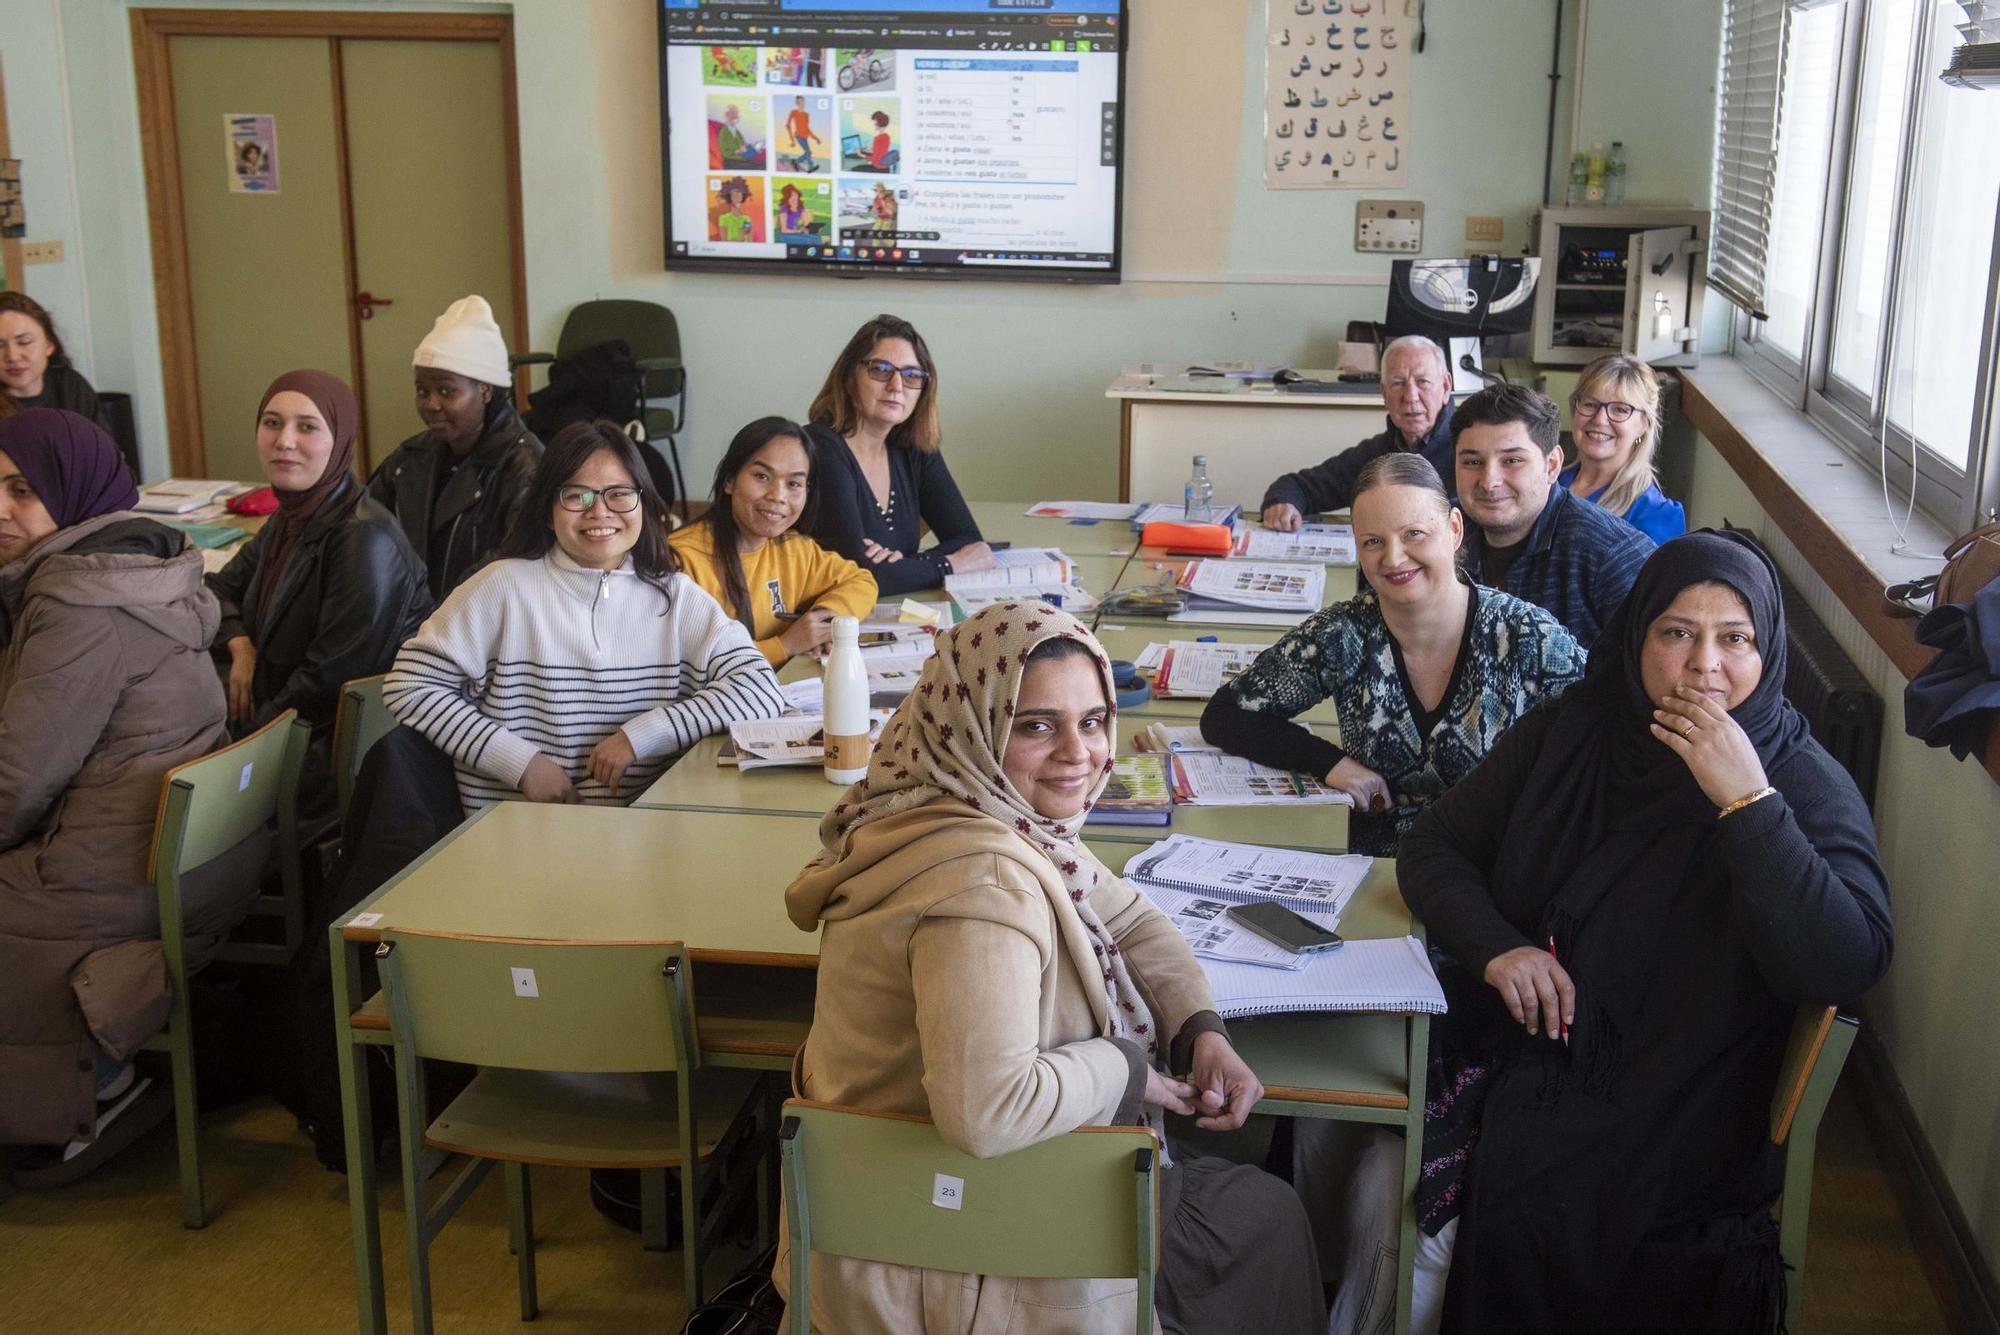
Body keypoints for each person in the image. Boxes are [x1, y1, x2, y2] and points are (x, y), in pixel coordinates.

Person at [1337, 531, 1894, 1334]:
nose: (1704, 664)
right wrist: (1500, 946)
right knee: (1343, 1111)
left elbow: (1848, 961)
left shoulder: (1797, 777)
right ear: (1637, 638)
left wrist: (1749, 805)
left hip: (1685, 1082)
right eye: (1676, 633)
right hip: (1533, 1032)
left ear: (1766, 650)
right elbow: (1434, 847)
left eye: (1734, 639)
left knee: (1477, 1182)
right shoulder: (1575, 732)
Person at [780, 603, 1326, 1334]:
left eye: (1093, 720)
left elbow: (1130, 918)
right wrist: (1129, 1067)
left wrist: (1201, 1029)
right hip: (968, 1248)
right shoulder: (983, 889)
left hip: (896, 1207)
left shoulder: (951, 802)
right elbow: (989, 1108)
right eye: (1036, 725)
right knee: (1271, 1214)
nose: (1081, 751)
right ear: (976, 724)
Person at [0, 410, 254, 1176]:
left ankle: (91, 1083)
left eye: (21, 490)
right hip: (183, 861)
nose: (0, 510)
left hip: (104, 882)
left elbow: (14, 786)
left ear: (72, 492)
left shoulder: (80, 605)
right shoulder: (144, 561)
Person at [384, 420, 785, 812]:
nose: (600, 512)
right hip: (517, 838)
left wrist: (641, 736)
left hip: (644, 839)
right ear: (546, 510)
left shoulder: (675, 597)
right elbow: (409, 684)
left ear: (642, 503)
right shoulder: (502, 588)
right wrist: (522, 765)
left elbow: (760, 690)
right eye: (577, 496)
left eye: (619, 494)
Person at [1202, 454, 1584, 856]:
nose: (1394, 558)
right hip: (1377, 872)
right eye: (1373, 542)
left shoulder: (1524, 636)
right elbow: (1227, 715)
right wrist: (1330, 763)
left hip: (1492, 869)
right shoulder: (1345, 632)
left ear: (1454, 530)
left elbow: (1604, 733)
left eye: (1414, 534)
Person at [205, 371, 432, 817]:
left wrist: (238, 743)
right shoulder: (293, 515)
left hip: (330, 753)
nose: (284, 440)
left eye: (307, 427)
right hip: (283, 721)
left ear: (340, 440)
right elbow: (215, 587)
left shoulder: (363, 539)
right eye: (272, 423)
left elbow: (326, 683)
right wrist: (239, 641)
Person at [801, 313, 993, 596]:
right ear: (849, 378)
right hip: (828, 621)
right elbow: (859, 576)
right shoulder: (822, 447)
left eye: (912, 375)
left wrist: (906, 566)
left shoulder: (913, 447)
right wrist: (946, 565)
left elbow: (968, 541)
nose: (897, 386)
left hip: (894, 610)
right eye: (880, 369)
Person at [366, 296, 542, 603]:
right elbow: (361, 525)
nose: (431, 404)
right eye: (422, 391)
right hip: (415, 625)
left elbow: (515, 570)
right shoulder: (410, 459)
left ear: (485, 390)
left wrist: (436, 621)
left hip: (479, 632)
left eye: (447, 391)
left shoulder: (524, 468)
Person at [1454, 381, 1653, 647]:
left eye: (1512, 461)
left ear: (1552, 465)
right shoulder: (1442, 532)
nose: (1489, 481)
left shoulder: (1612, 556)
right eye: (1472, 462)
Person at [668, 416, 876, 666]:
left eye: (793, 484)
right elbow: (686, 666)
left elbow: (861, 581)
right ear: (729, 480)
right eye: (762, 476)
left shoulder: (793, 548)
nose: (778, 495)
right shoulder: (680, 559)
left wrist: (823, 621)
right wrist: (785, 645)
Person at [1260, 335, 1454, 531]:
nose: (1410, 396)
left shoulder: (1468, 451)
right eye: (1398, 383)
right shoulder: (1377, 454)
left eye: (1423, 382)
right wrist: (1284, 504)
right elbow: (1299, 487)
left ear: (1446, 387)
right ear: (1384, 394)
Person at [1560, 353, 1687, 546]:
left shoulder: (1656, 516)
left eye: (1620, 409)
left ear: (1644, 424)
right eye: (1590, 404)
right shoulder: (1548, 483)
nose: (1600, 419)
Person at [0, 292, 110, 431]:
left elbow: (103, 448)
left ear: (49, 345)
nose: (13, 356)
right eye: (0, 345)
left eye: (24, 342)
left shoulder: (70, 386)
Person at [715, 176, 755, 242]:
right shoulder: (723, 218)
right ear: (729, 197)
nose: (737, 196)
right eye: (734, 195)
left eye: (739, 194)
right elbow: (724, 240)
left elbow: (748, 239)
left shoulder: (746, 219)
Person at [786, 96, 820, 172]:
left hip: (805, 137)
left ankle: (797, 162)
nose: (802, 103)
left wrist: (815, 138)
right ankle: (807, 165)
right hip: (798, 136)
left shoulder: (806, 115)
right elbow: (787, 125)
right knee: (808, 152)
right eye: (799, 101)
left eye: (803, 101)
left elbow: (807, 128)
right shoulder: (793, 112)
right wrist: (792, 141)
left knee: (808, 152)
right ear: (797, 103)